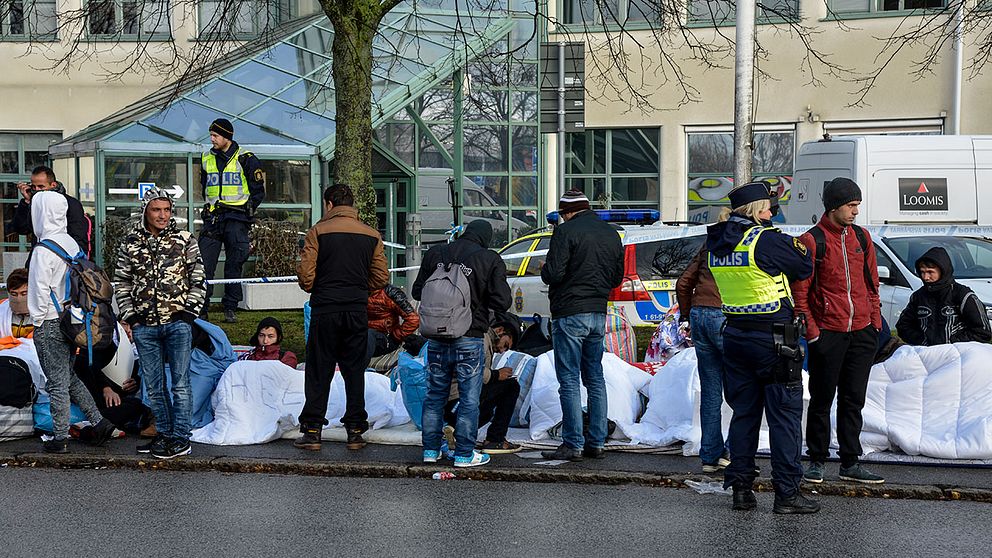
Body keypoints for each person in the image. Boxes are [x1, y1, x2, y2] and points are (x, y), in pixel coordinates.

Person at [707, 181, 819, 514]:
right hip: (774, 341)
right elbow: (804, 266)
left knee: (744, 415)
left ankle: (741, 490)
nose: (772, 213)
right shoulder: (765, 239)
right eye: (769, 208)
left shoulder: (716, 241)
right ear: (757, 211)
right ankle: (787, 494)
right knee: (784, 417)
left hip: (735, 337)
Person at [792, 177, 885, 486]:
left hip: (861, 332)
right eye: (850, 205)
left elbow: (872, 283)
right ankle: (816, 460)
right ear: (834, 206)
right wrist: (814, 332)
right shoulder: (811, 240)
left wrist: (874, 320)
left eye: (857, 205)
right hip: (828, 333)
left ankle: (850, 461)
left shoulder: (862, 237)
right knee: (821, 398)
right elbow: (800, 293)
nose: (856, 211)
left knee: (853, 399)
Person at [114, 186, 206, 460]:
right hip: (145, 326)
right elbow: (122, 282)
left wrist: (188, 314)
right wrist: (131, 317)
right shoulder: (130, 243)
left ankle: (181, 437)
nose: (163, 215)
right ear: (145, 211)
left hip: (178, 322)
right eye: (156, 209)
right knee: (154, 386)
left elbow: (198, 278)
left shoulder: (185, 239)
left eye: (167, 209)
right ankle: (164, 435)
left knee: (180, 383)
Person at [295, 184, 388, 452]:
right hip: (356, 309)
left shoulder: (318, 231)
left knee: (318, 370)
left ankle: (312, 431)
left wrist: (316, 287)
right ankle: (356, 431)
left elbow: (307, 275)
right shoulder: (371, 234)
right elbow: (381, 277)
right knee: (354, 370)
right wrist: (360, 289)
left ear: (328, 204)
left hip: (325, 308)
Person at [413, 220, 511, 468]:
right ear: (486, 238)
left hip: (435, 337)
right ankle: (465, 453)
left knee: (434, 396)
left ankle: (431, 450)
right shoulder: (488, 258)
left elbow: (417, 291)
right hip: (469, 336)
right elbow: (503, 301)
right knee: (469, 397)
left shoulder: (436, 253)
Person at [539, 190, 624, 461]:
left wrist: (544, 268)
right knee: (595, 377)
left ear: (567, 212)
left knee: (569, 379)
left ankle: (573, 442)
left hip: (570, 311)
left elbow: (553, 273)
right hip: (598, 311)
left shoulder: (565, 233)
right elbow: (616, 277)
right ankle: (597, 441)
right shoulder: (611, 233)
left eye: (563, 214)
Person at [28, 191, 115, 453]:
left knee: (56, 382)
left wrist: (37, 321)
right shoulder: (70, 243)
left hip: (50, 321)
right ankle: (99, 422)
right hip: (73, 320)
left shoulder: (43, 250)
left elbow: (38, 292)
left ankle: (60, 437)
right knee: (68, 377)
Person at [677, 207, 731, 474]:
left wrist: (687, 314)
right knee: (743, 389)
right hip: (727, 316)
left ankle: (710, 455)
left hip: (700, 314)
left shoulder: (709, 245)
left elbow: (684, 282)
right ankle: (732, 451)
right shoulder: (743, 243)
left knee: (711, 390)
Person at [198, 118, 265, 323]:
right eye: (211, 135)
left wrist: (247, 210)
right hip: (213, 217)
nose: (212, 139)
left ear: (227, 136)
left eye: (215, 135)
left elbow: (258, 191)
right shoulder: (206, 157)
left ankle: (230, 307)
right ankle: (202, 308)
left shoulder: (246, 158)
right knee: (203, 264)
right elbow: (204, 186)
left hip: (237, 217)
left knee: (234, 263)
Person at [896, 247, 992, 346]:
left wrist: (953, 343)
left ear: (942, 270)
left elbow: (983, 332)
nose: (925, 277)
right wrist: (922, 341)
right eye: (922, 272)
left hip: (958, 355)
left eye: (930, 272)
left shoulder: (963, 295)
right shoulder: (918, 296)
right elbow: (903, 326)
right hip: (927, 354)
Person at [11, 166, 92, 257]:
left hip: (62, 258)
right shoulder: (35, 202)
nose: (37, 190)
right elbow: (21, 229)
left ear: (53, 185)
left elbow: (78, 236)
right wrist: (26, 202)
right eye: (33, 186)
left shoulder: (71, 204)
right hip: (40, 253)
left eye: (41, 186)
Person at [366, 284, 420, 372]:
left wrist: (396, 336)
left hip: (385, 339)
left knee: (368, 335)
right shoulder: (356, 292)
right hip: (361, 339)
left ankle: (357, 372)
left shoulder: (390, 293)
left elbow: (413, 319)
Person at [1, 268, 34, 339]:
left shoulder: (44, 314)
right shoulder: (2, 309)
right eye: (14, 294)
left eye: (24, 293)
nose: (19, 299)